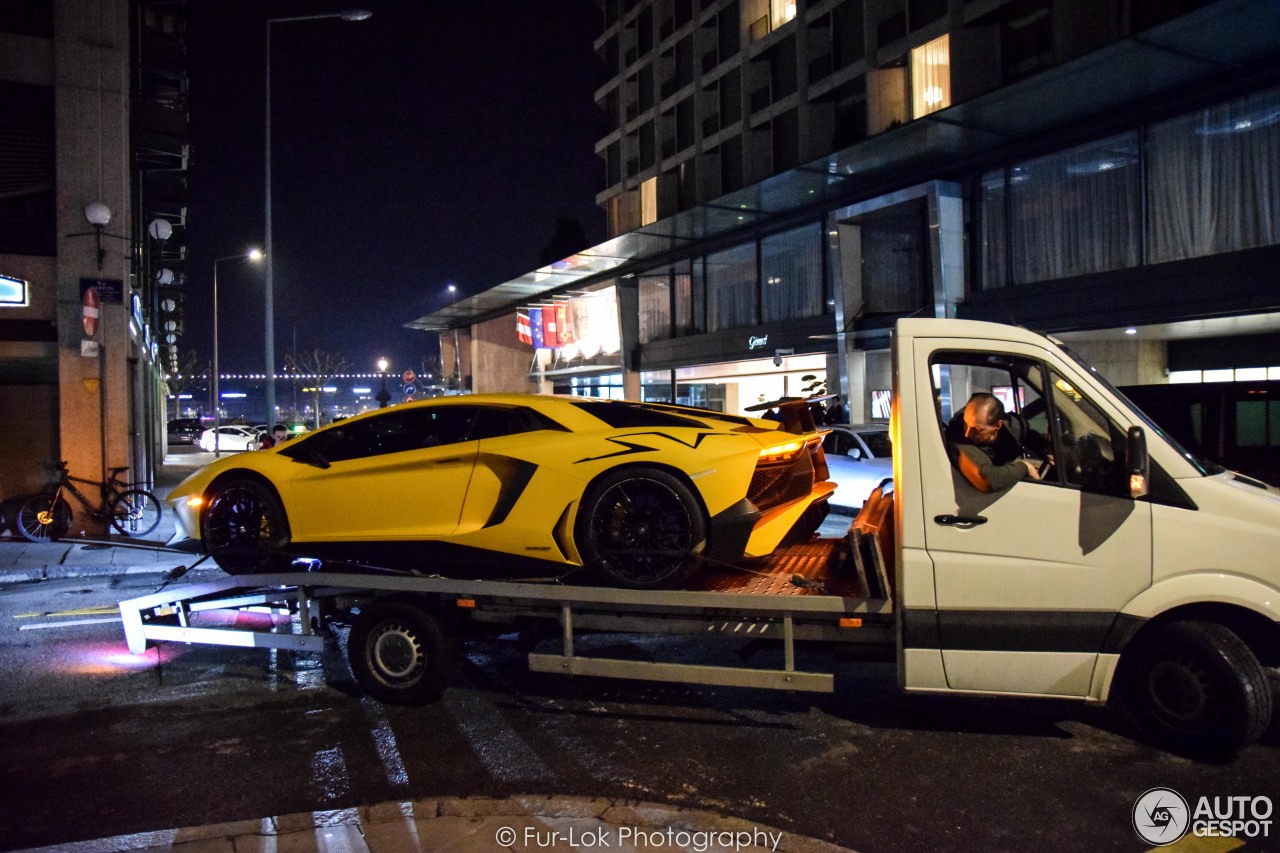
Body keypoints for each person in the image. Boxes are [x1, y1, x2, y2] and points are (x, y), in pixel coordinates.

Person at [947, 392, 1046, 493]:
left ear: (998, 426)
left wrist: (1046, 450)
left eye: (976, 429)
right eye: (966, 424)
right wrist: (1025, 467)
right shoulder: (958, 439)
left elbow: (1029, 436)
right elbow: (988, 479)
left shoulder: (1012, 429)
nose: (967, 433)